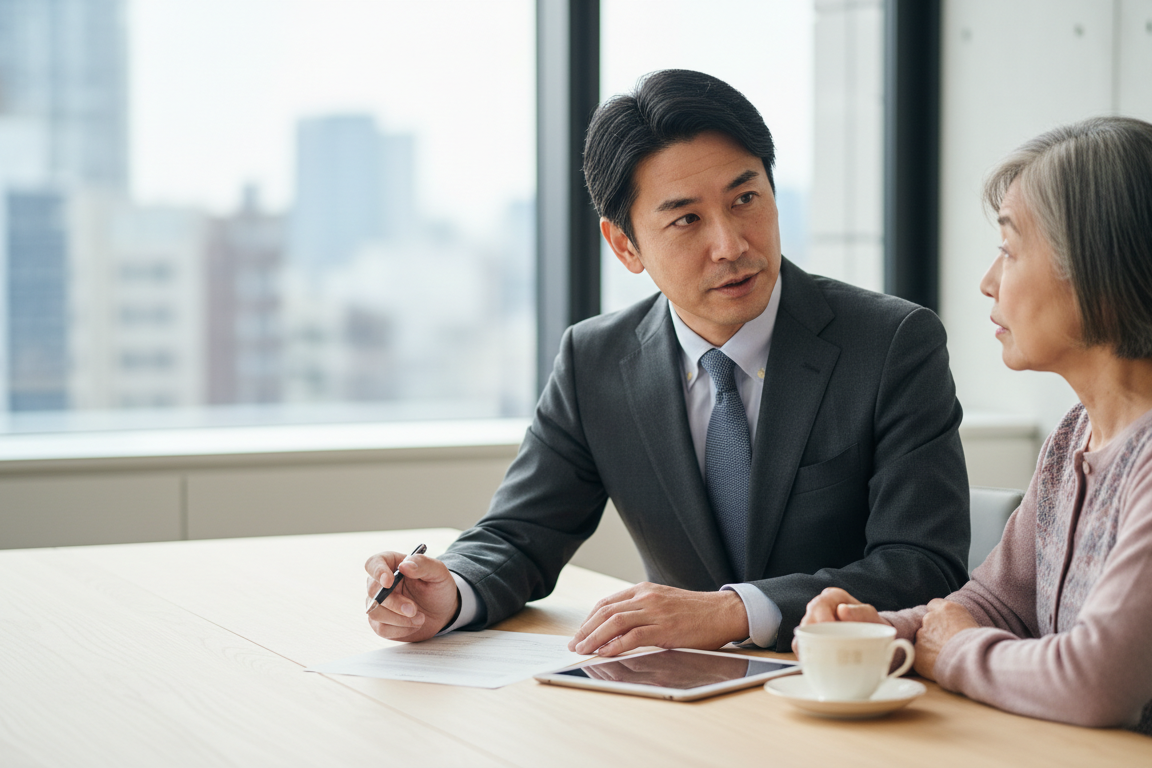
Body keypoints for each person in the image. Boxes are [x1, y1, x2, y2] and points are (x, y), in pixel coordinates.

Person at [365, 69, 970, 656]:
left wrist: (734, 610)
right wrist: (451, 593)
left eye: (746, 199)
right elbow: (520, 536)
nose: (732, 245)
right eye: (686, 219)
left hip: (841, 691)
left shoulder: (891, 343)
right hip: (679, 699)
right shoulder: (593, 360)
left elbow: (922, 564)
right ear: (625, 245)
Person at [801, 116, 1152, 766]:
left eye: (1008, 250)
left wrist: (951, 652)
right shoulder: (1078, 431)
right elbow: (995, 602)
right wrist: (880, 632)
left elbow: (1096, 685)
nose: (987, 281)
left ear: (1097, 270)